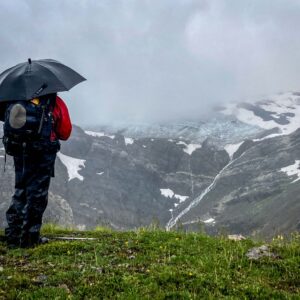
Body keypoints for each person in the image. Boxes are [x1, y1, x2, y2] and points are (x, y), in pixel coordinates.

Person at [0, 93, 72, 248]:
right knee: (37, 195)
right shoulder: (54, 102)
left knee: (20, 191)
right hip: (42, 152)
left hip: (19, 150)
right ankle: (30, 239)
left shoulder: (13, 98)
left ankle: (13, 235)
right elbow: (65, 132)